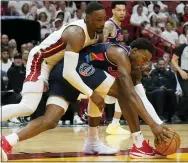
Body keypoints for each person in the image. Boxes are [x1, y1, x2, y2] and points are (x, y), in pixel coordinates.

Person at [1, 39, 172, 161]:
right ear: (134, 51)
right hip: (74, 69)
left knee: (50, 120)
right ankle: (138, 144)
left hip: (66, 75)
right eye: (143, 58)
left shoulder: (134, 70)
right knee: (121, 92)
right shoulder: (120, 54)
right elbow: (129, 95)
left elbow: (137, 95)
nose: (144, 64)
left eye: (148, 62)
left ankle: (7, 141)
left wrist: (156, 124)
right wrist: (154, 126)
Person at [1, 1, 107, 126]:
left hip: (55, 64)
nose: (102, 23)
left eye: (104, 19)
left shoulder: (98, 33)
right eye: (99, 20)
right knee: (27, 107)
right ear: (87, 18)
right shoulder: (76, 34)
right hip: (40, 61)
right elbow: (68, 73)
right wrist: (91, 94)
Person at [102, 1, 129, 135]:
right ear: (113, 11)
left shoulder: (119, 26)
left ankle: (114, 124)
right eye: (119, 10)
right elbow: (101, 44)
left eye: (124, 10)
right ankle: (112, 125)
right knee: (109, 96)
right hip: (106, 65)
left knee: (121, 94)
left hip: (114, 65)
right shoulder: (109, 25)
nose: (122, 13)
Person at [171, 44, 188, 122]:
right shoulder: (182, 47)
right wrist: (181, 71)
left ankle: (183, 115)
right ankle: (176, 115)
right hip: (183, 72)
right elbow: (173, 60)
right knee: (187, 93)